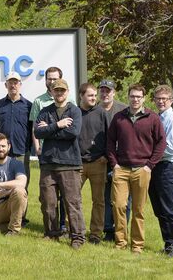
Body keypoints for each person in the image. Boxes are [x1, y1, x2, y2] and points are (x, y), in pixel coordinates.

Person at [107, 84, 166, 254]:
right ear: (128, 97)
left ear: (144, 98)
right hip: (122, 169)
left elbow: (161, 142)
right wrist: (115, 164)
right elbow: (110, 142)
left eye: (138, 96)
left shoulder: (152, 118)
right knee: (118, 206)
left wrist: (150, 165)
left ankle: (137, 246)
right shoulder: (119, 117)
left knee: (138, 210)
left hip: (142, 169)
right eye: (132, 96)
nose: (135, 99)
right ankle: (120, 243)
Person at [34, 78, 86, 249]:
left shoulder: (75, 111)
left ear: (67, 92)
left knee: (72, 203)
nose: (59, 93)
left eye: (62, 90)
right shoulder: (45, 110)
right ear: (52, 92)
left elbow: (73, 132)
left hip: (69, 164)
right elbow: (38, 132)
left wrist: (49, 129)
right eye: (56, 90)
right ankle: (52, 233)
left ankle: (77, 237)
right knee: (48, 202)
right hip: (48, 164)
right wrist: (57, 125)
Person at [30, 66, 72, 234]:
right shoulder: (39, 101)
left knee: (65, 192)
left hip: (64, 153)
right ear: (46, 80)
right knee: (48, 192)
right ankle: (50, 226)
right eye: (49, 79)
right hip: (45, 152)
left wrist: (49, 128)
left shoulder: (70, 102)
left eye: (55, 78)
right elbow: (36, 128)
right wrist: (37, 147)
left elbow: (71, 128)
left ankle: (63, 224)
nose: (52, 81)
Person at [149, 84, 173, 258]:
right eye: (158, 98)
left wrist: (148, 153)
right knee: (159, 210)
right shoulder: (158, 118)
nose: (161, 101)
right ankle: (169, 245)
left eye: (165, 99)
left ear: (171, 100)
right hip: (155, 168)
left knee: (170, 210)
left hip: (166, 168)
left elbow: (171, 150)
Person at [0, 73, 33, 224]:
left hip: (21, 151)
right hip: (2, 153)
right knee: (3, 184)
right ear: (6, 85)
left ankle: (21, 217)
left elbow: (32, 130)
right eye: (10, 83)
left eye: (16, 82)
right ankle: (4, 215)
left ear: (20, 84)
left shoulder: (28, 105)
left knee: (22, 185)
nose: (13, 85)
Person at [77, 83, 110, 244]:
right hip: (78, 164)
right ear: (81, 96)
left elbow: (110, 136)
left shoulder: (102, 113)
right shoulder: (74, 113)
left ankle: (96, 234)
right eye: (90, 95)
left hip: (98, 162)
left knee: (99, 201)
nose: (94, 98)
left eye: (94, 95)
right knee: (74, 199)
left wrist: (106, 155)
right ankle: (77, 231)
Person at [98, 78, 129, 241]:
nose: (105, 94)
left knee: (122, 200)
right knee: (105, 197)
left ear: (113, 92)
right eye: (102, 90)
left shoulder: (123, 109)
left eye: (108, 91)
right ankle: (108, 230)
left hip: (121, 161)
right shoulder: (95, 109)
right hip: (102, 161)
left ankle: (122, 230)